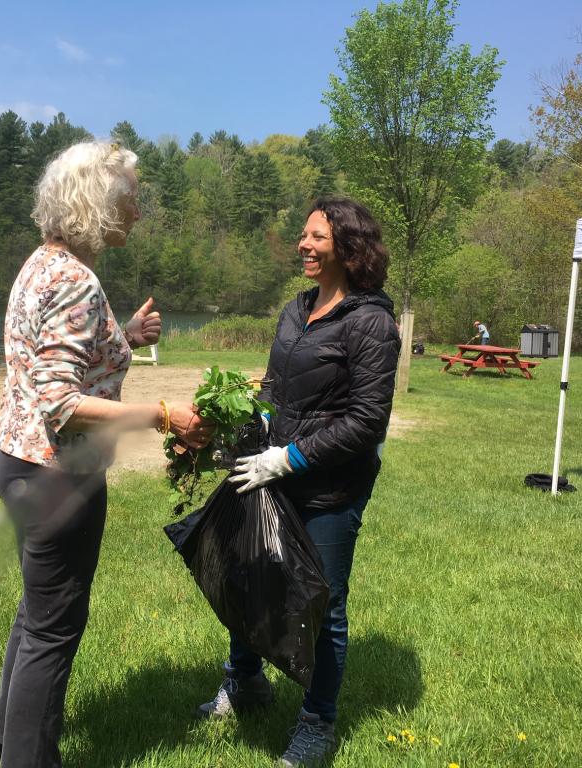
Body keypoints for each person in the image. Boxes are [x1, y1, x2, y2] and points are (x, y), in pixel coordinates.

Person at [0, 140, 212, 768]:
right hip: (58, 471)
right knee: (54, 628)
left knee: (38, 611)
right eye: (130, 199)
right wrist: (164, 415)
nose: (137, 212)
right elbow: (61, 403)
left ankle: (4, 741)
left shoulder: (44, 264)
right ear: (96, 204)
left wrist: (124, 336)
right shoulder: (76, 281)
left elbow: (56, 357)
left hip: (13, 456)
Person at [198, 197, 401, 767]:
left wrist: (290, 459)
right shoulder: (297, 309)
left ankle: (317, 723)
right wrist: (256, 422)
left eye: (316, 237)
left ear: (348, 246)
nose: (303, 245)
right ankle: (245, 681)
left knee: (322, 604)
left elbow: (367, 422)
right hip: (271, 472)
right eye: (303, 236)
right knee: (249, 578)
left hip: (330, 488)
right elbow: (275, 387)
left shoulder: (371, 323)